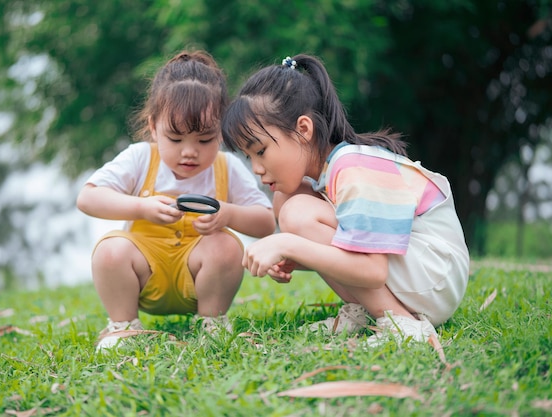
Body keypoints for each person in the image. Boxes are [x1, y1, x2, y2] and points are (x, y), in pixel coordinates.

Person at [221, 54, 469, 346]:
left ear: (303, 129)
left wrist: (287, 243)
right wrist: (293, 257)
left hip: (434, 278)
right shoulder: (329, 173)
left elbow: (373, 270)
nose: (256, 168)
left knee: (296, 212)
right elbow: (346, 250)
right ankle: (366, 312)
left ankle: (402, 323)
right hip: (416, 273)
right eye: (248, 157)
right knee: (287, 200)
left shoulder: (353, 167)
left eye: (260, 151)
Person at [77, 50, 276, 351]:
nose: (189, 152)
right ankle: (123, 327)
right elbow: (88, 198)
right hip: (147, 275)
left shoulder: (228, 167)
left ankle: (213, 324)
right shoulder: (141, 158)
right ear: (154, 127)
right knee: (109, 250)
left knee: (225, 245)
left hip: (199, 279)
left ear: (221, 132)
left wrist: (227, 214)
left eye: (204, 140)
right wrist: (141, 207)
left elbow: (265, 223)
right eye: (175, 138)